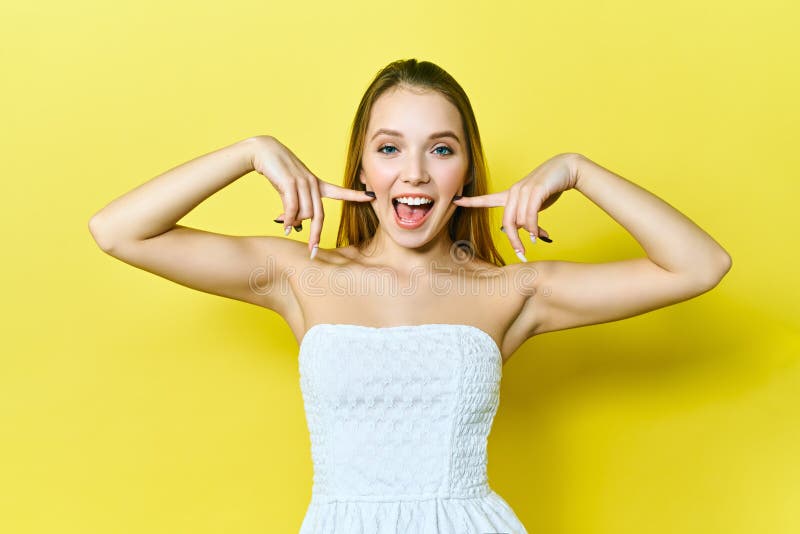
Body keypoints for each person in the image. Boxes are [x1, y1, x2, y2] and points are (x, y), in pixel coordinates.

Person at [88, 58, 732, 533]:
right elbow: (117, 231)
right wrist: (251, 153)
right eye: (390, 148)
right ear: (362, 169)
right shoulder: (300, 273)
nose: (415, 172)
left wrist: (576, 170)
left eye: (441, 150)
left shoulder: (512, 290)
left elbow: (700, 266)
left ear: (467, 172)